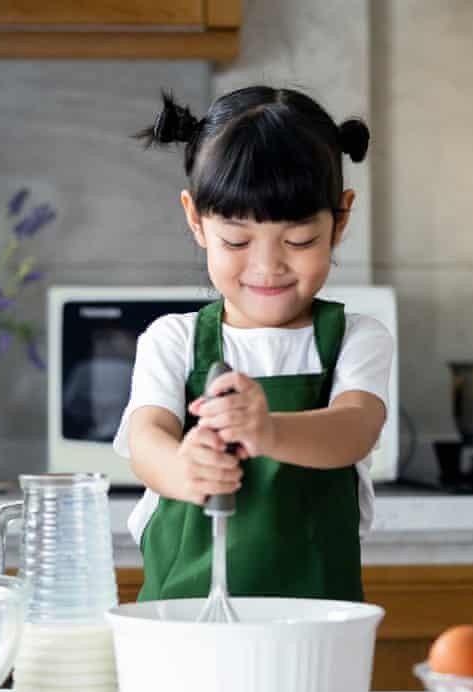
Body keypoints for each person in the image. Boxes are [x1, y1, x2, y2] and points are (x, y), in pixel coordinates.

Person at [111, 86, 394, 602]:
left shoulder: (355, 339)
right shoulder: (174, 340)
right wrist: (182, 467)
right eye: (237, 241)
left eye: (299, 241)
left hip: (313, 622)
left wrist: (267, 431)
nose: (267, 267)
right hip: (184, 619)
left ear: (341, 219)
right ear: (196, 220)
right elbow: (145, 439)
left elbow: (355, 428)